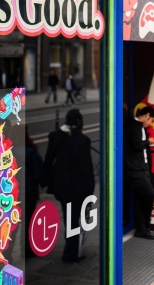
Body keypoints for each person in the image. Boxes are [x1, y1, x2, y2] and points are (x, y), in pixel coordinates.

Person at [44, 109, 95, 263]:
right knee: (74, 219)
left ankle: (71, 250)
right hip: (77, 186)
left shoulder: (56, 136)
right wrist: (90, 190)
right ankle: (71, 253)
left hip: (62, 186)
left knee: (70, 218)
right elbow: (86, 168)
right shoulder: (82, 140)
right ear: (78, 121)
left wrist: (44, 180)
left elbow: (48, 159)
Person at [124, 106, 154, 240]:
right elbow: (137, 145)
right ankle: (145, 227)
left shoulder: (140, 128)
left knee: (139, 198)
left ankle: (142, 229)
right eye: (151, 121)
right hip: (135, 169)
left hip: (141, 168)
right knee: (149, 194)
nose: (150, 125)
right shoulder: (133, 126)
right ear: (147, 115)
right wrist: (147, 142)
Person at [24, 127, 45, 257]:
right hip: (29, 190)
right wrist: (44, 183)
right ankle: (27, 248)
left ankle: (9, 250)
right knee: (29, 220)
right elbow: (38, 171)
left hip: (11, 191)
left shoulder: (7, 149)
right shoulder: (31, 151)